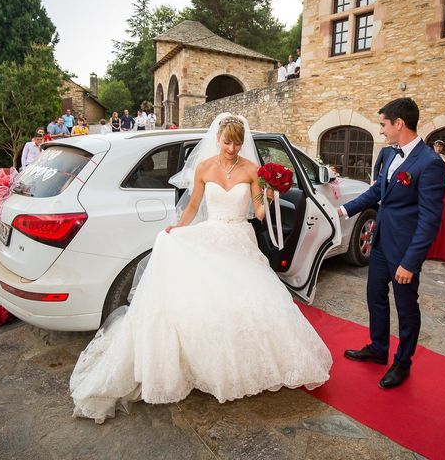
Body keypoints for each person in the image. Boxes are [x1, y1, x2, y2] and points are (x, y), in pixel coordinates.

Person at [69, 113, 332, 423]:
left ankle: (243, 363)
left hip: (239, 238)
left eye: (237, 143)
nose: (232, 148)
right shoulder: (204, 168)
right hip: (212, 232)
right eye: (227, 142)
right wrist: (177, 228)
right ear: (217, 139)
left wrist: (269, 197)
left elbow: (259, 214)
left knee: (247, 302)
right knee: (203, 295)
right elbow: (193, 206)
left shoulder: (253, 170)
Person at [338, 98, 445, 389]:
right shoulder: (388, 154)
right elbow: (377, 191)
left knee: (406, 308)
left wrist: (410, 262)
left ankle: (402, 363)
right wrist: (344, 209)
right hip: (381, 242)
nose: (381, 130)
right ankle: (378, 348)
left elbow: (429, 219)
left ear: (399, 123)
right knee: (375, 297)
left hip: (404, 251)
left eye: (384, 124)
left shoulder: (430, 163)